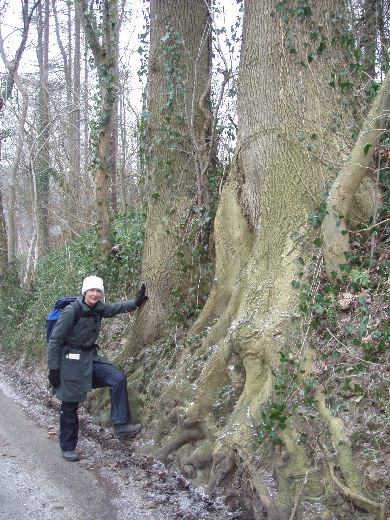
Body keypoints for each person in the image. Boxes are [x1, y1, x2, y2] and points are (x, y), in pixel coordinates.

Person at [47, 275, 148, 462]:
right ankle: (68, 447)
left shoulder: (99, 308)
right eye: (91, 290)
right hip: (70, 361)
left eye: (98, 291)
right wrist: (54, 369)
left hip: (89, 359)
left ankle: (120, 424)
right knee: (70, 405)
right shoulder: (72, 311)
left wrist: (135, 302)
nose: (95, 294)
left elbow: (115, 308)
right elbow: (55, 340)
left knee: (117, 378)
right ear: (84, 292)